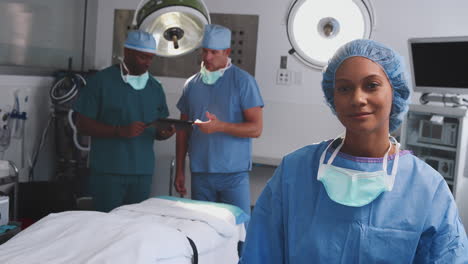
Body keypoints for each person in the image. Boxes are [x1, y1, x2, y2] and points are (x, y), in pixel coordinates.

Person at [240, 39, 468, 263]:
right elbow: (260, 254)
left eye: (371, 85)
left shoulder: (426, 187)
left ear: (395, 91)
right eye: (344, 88)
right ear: (333, 97)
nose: (357, 98)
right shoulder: (295, 172)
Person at [73, 30, 175, 212]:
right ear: (127, 52)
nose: (148, 63)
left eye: (151, 58)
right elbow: (82, 124)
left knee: (133, 228)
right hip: (108, 171)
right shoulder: (101, 82)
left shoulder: (154, 88)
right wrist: (118, 131)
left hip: (142, 172)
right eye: (143, 57)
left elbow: (158, 127)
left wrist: (163, 133)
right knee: (106, 225)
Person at [174, 24, 264, 217]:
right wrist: (180, 169)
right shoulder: (192, 85)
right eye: (204, 51)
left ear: (227, 52)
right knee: (202, 232)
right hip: (200, 173)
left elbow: (256, 128)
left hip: (233, 174)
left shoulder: (243, 82)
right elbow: (182, 130)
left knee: (238, 232)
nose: (207, 58)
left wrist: (220, 126)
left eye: (214, 52)